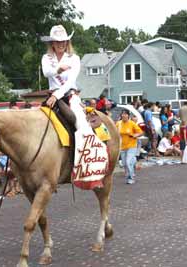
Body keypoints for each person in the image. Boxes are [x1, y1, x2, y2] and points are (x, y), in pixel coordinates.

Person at [41, 24, 108, 189]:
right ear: (52, 43)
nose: (61, 44)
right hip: (51, 96)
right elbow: (46, 72)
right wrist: (57, 69)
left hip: (68, 96)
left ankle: (90, 168)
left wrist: (57, 95)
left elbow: (70, 82)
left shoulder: (74, 58)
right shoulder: (46, 58)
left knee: (81, 124)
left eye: (64, 41)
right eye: (57, 41)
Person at [116, 110, 143, 184]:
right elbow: (115, 133)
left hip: (131, 146)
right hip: (122, 147)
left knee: (128, 162)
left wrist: (135, 135)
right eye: (122, 114)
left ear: (128, 115)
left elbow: (140, 133)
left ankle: (131, 178)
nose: (123, 115)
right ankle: (133, 162)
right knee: (124, 164)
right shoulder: (118, 123)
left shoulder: (132, 123)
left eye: (125, 114)